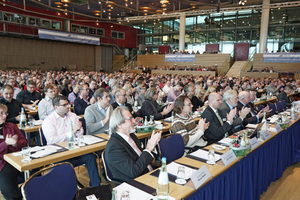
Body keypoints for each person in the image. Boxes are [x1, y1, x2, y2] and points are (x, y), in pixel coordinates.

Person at [42, 95, 101, 187]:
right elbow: (52, 140)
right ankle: (72, 191)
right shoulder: (48, 121)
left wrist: (77, 131)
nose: (68, 106)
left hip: (75, 149)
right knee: (65, 165)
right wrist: (72, 130)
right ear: (56, 107)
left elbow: (80, 133)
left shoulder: (73, 116)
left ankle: (96, 186)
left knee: (90, 157)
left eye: (68, 104)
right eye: (64, 105)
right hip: (59, 153)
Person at [105, 107, 161, 182]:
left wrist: (152, 145)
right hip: (135, 184)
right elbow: (134, 172)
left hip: (148, 175)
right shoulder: (114, 147)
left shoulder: (132, 136)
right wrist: (148, 149)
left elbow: (142, 158)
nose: (134, 121)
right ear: (119, 125)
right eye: (130, 119)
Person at [0, 104, 28, 200]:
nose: (5, 116)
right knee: (9, 191)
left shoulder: (11, 126)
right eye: (1, 113)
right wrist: (5, 143)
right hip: (2, 162)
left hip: (17, 157)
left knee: (36, 173)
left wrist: (16, 144)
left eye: (5, 113)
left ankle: (29, 193)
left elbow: (25, 142)